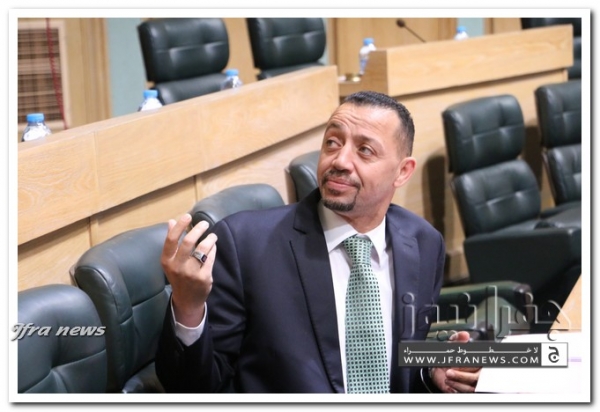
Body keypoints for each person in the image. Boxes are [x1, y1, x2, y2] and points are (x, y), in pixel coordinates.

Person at [156, 90, 481, 393]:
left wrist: (432, 372)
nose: (340, 161)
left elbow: (400, 364)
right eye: (332, 143)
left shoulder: (423, 243)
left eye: (364, 150)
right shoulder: (247, 245)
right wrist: (188, 307)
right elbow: (196, 388)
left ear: (403, 172)